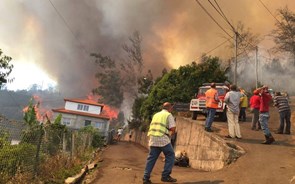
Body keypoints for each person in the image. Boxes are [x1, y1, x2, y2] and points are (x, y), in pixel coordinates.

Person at [143, 102, 177, 184]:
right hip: (162, 138)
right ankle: (165, 176)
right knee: (170, 155)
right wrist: (170, 135)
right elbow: (173, 128)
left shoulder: (156, 115)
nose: (171, 109)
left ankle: (145, 178)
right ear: (169, 108)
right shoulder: (168, 115)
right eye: (171, 108)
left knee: (151, 158)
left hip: (153, 139)